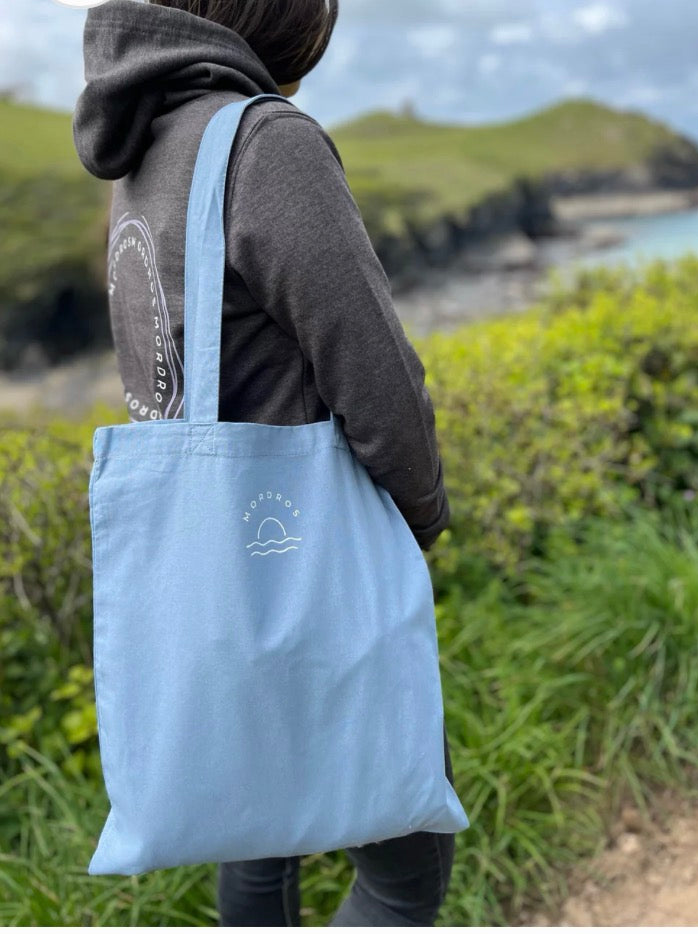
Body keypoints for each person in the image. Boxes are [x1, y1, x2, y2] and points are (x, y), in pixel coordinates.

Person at [73, 0, 458, 925]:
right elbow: (375, 373)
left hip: (208, 581)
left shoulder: (146, 140)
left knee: (257, 833)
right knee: (407, 871)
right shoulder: (263, 141)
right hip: (303, 565)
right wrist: (422, 515)